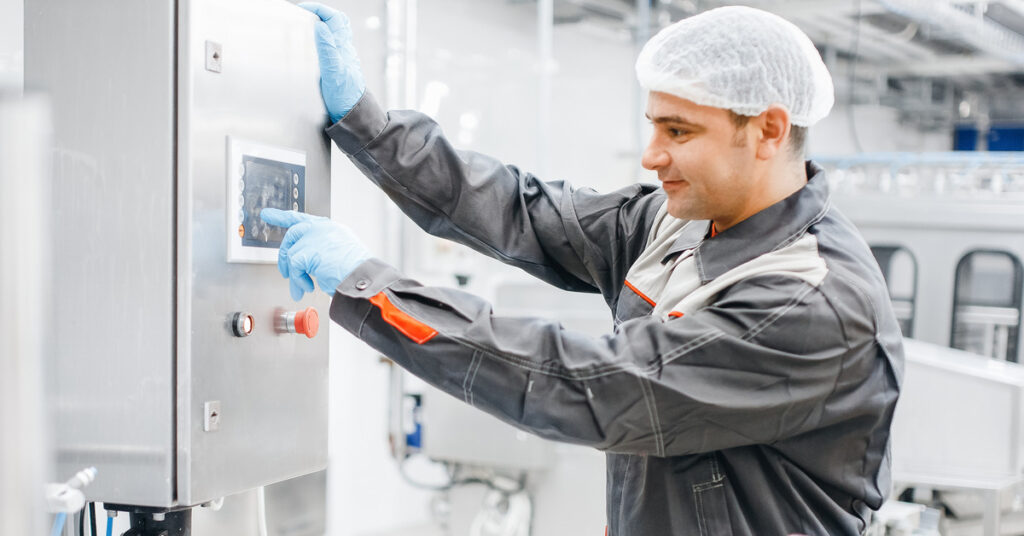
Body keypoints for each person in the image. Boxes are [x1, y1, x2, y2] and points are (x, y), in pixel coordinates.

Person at [261, 4, 904, 534]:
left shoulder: (809, 302)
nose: (652, 155)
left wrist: (372, 288)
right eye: (653, 125)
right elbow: (525, 211)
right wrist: (368, 126)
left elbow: (586, 384)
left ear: (767, 130)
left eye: (679, 132)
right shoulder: (678, 221)